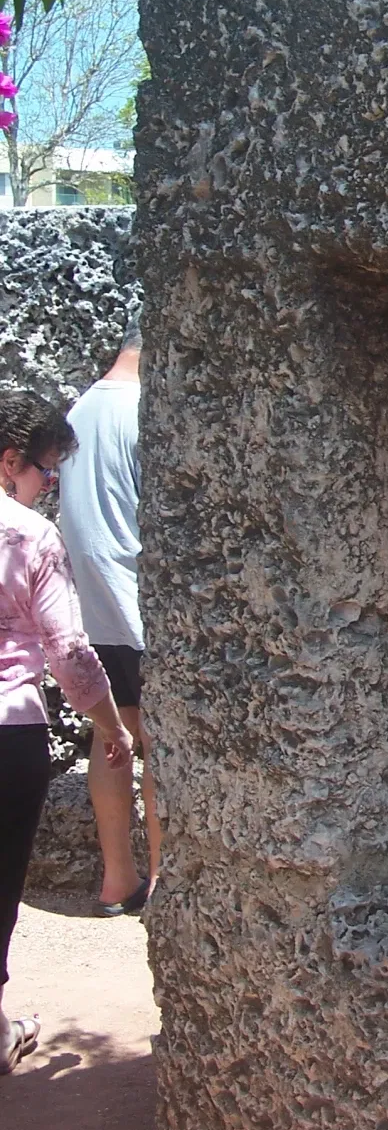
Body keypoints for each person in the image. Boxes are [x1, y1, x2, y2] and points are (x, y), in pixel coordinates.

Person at [1, 388, 133, 1074]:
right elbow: (69, 651)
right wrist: (110, 724)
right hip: (8, 731)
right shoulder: (27, 535)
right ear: (9, 461)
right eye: (45, 471)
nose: (50, 485)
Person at [58, 320, 158, 914]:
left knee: (113, 735)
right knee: (160, 743)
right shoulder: (145, 408)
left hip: (96, 607)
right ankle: (166, 883)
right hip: (142, 602)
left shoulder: (79, 409)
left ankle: (116, 879)